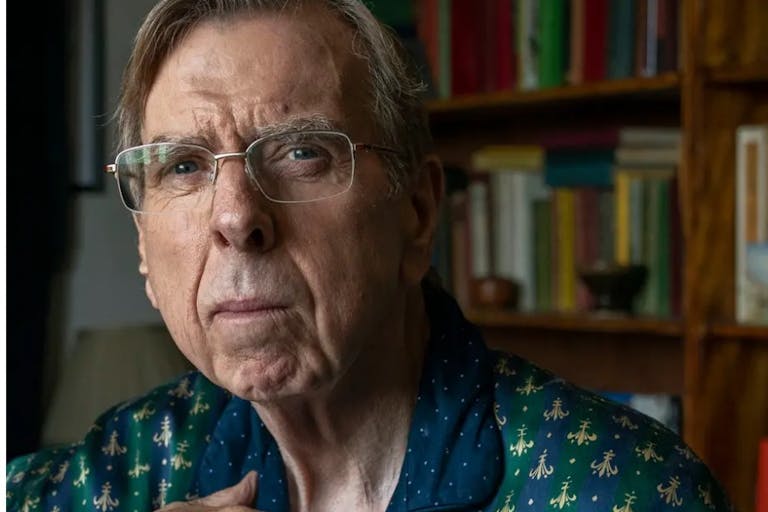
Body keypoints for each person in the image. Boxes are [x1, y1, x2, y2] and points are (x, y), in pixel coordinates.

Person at [7, 1, 732, 511]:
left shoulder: (622, 491)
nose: (235, 217)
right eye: (184, 167)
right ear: (143, 247)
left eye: (300, 152)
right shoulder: (116, 472)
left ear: (416, 213)